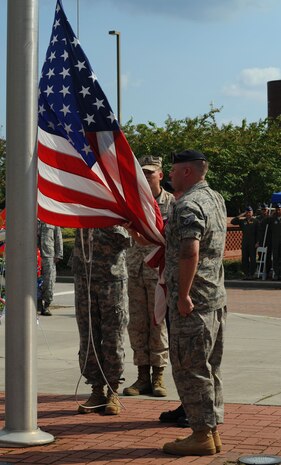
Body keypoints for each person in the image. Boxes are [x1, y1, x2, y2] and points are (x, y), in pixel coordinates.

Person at [162, 149, 227, 457]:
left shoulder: (189, 204)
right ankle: (210, 433)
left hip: (194, 303)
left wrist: (183, 294)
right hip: (213, 298)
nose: (169, 175)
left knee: (190, 369)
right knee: (208, 367)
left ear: (187, 171)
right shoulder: (215, 198)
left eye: (173, 171)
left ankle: (201, 434)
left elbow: (190, 251)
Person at [123, 156, 174, 398]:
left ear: (161, 175)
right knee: (137, 324)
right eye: (142, 173)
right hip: (135, 271)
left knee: (158, 324)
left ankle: (159, 376)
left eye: (150, 173)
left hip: (159, 274)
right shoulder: (134, 202)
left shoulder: (172, 203)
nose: (146, 177)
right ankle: (142, 376)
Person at [73, 226, 130, 415]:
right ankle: (96, 391)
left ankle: (113, 390)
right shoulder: (80, 208)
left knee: (113, 338)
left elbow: (127, 241)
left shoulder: (114, 207)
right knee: (88, 337)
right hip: (84, 277)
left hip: (111, 279)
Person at [37, 220, 63, 316]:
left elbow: (58, 237)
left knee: (49, 281)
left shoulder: (52, 219)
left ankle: (46, 305)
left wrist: (59, 254)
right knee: (35, 281)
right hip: (34, 256)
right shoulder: (32, 218)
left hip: (49, 256)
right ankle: (38, 304)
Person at [231, 206, 258, 280]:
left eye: (250, 212)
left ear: (252, 212)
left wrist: (258, 242)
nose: (248, 213)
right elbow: (232, 221)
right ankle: (246, 274)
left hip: (253, 243)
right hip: (245, 242)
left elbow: (258, 232)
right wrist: (242, 215)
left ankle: (252, 274)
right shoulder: (243, 221)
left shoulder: (255, 221)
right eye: (247, 212)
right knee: (244, 259)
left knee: (253, 259)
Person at [256, 203, 272, 278]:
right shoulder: (258, 218)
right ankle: (261, 271)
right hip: (260, 240)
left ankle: (267, 272)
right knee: (260, 256)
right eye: (263, 209)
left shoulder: (270, 218)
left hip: (268, 240)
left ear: (267, 210)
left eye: (265, 209)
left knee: (268, 256)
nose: (264, 211)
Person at [269, 203, 281, 280]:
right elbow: (264, 222)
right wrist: (271, 215)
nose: (278, 210)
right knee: (275, 258)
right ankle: (277, 274)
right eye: (277, 209)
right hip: (275, 242)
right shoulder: (273, 219)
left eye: (279, 209)